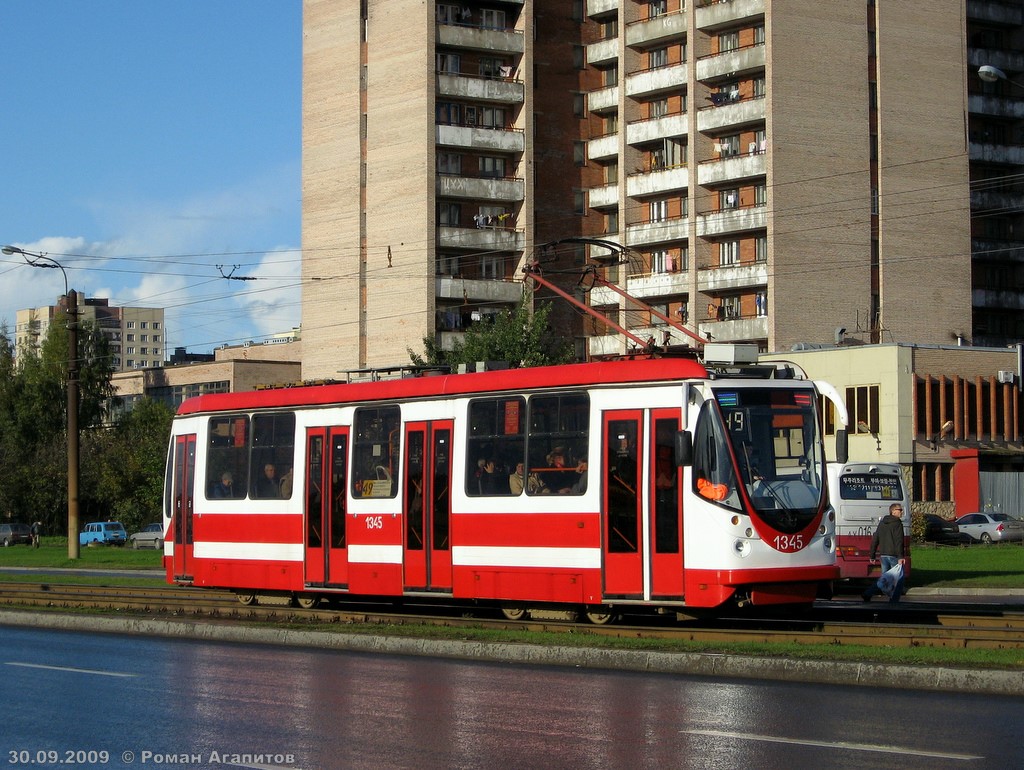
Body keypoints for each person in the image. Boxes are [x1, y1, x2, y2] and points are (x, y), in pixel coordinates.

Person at [862, 503, 907, 603]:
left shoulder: (882, 523)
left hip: (883, 555)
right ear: (893, 511)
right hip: (894, 556)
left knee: (884, 579)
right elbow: (899, 541)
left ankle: (868, 593)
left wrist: (872, 555)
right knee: (899, 579)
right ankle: (894, 600)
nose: (901, 512)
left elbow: (875, 539)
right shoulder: (897, 523)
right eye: (900, 510)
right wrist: (900, 556)